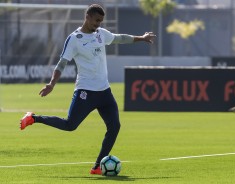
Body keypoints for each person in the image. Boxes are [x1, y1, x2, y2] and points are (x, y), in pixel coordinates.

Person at [20, 3, 156, 175]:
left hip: (105, 92)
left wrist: (141, 38)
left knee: (114, 126)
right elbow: (62, 63)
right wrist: (52, 84)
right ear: (87, 17)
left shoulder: (101, 34)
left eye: (101, 21)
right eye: (96, 21)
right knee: (70, 125)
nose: (98, 24)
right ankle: (33, 118)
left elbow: (119, 37)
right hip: (85, 91)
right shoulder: (74, 39)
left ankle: (98, 166)